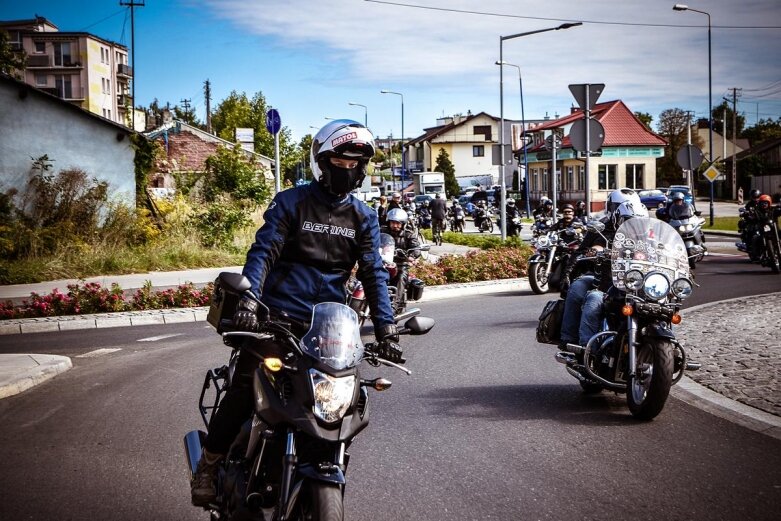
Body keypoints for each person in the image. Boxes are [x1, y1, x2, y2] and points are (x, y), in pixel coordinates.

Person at [191, 119, 402, 507]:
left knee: (336, 404)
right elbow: (264, 252)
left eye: (356, 163)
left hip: (327, 330)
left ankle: (318, 466)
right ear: (321, 161)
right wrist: (251, 299)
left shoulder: (364, 217)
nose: (347, 168)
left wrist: (386, 329)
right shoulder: (291, 202)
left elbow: (373, 273)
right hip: (275, 318)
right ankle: (210, 461)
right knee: (243, 391)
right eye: (339, 161)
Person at [559, 188, 648, 351]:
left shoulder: (646, 234)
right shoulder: (601, 228)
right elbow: (581, 253)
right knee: (584, 294)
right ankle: (584, 348)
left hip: (639, 286)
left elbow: (663, 249)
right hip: (607, 282)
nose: (631, 222)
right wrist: (568, 274)